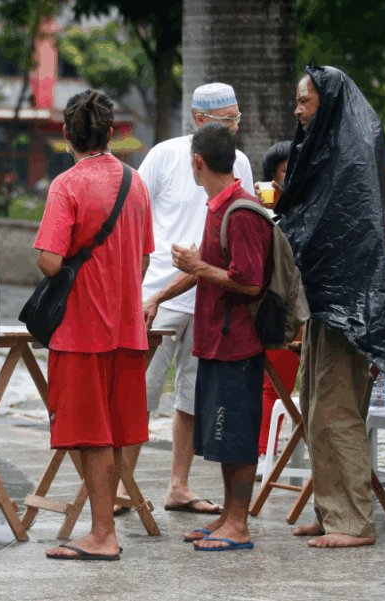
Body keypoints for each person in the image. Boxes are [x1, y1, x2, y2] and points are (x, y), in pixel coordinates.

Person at [276, 66, 385, 548]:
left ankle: (354, 521)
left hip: (350, 312)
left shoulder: (349, 157)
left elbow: (344, 238)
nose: (297, 111)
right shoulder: (327, 152)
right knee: (316, 410)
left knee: (337, 414)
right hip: (327, 307)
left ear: (327, 102)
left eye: (304, 102)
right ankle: (331, 509)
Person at [34, 90, 152, 559]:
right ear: (110, 133)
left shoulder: (67, 184)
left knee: (89, 434)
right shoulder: (136, 182)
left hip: (81, 329)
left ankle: (103, 533)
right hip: (127, 326)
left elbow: (49, 260)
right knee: (115, 432)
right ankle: (104, 528)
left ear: (67, 135)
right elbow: (143, 256)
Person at [150, 122, 273, 550]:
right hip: (215, 340)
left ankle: (238, 524)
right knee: (221, 437)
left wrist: (198, 267)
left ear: (196, 163)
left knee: (236, 436)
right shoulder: (217, 205)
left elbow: (250, 281)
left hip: (236, 342)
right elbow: (203, 267)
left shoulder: (240, 210)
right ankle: (227, 515)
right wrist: (160, 297)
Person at [134, 83, 255, 515]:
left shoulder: (238, 161)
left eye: (237, 118)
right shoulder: (165, 155)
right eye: (227, 120)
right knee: (140, 393)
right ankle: (118, 488)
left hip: (208, 294)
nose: (235, 127)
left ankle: (178, 485)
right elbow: (134, 214)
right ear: (199, 119)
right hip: (159, 295)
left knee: (189, 396)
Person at [255, 141, 299, 470]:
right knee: (271, 387)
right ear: (273, 177)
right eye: (286, 170)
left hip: (306, 314)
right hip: (274, 310)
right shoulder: (264, 213)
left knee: (283, 387)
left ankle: (267, 456)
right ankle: (261, 455)